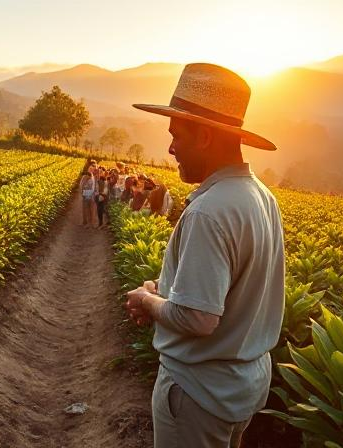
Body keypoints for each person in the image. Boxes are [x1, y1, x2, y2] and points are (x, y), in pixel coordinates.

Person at [124, 63, 283, 448]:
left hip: (198, 394)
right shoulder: (261, 197)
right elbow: (231, 288)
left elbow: (198, 318)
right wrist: (167, 291)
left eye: (177, 134)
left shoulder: (208, 211)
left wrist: (146, 300)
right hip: (241, 389)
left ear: (207, 136)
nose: (171, 147)